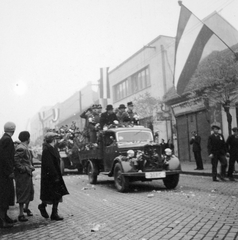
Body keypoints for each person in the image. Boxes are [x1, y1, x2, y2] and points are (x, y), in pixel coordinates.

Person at [38, 132, 69, 221]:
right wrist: (55, 175)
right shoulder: (47, 149)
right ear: (53, 139)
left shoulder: (53, 148)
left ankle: (54, 213)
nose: (57, 140)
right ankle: (42, 206)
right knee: (50, 194)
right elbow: (49, 165)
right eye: (56, 138)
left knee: (57, 194)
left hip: (55, 175)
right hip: (50, 176)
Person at [14, 131, 35, 222]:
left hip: (26, 174)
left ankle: (25, 209)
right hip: (23, 175)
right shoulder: (21, 148)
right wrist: (25, 168)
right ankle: (21, 214)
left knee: (29, 192)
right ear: (28, 138)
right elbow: (16, 161)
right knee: (22, 193)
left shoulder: (24, 147)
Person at [0, 122, 17, 228]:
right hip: (5, 175)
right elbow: (5, 158)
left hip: (3, 173)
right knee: (5, 196)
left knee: (5, 195)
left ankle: (5, 217)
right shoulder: (7, 140)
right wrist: (10, 172)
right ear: (13, 130)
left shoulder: (3, 139)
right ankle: (2, 220)